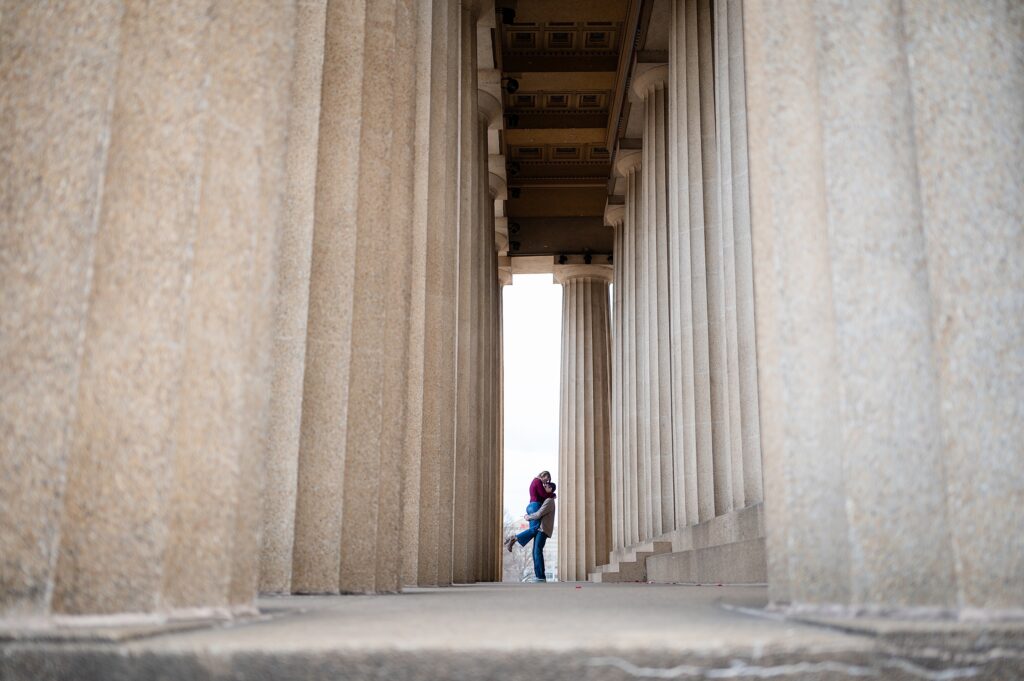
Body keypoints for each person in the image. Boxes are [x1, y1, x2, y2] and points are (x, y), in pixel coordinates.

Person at [505, 482, 556, 582]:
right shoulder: (546, 500)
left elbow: (539, 514)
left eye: (545, 487)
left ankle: (541, 577)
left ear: (550, 489)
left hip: (543, 529)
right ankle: (539, 576)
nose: (543, 488)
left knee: (537, 551)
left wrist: (528, 517)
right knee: (535, 551)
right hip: (541, 528)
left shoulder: (549, 501)